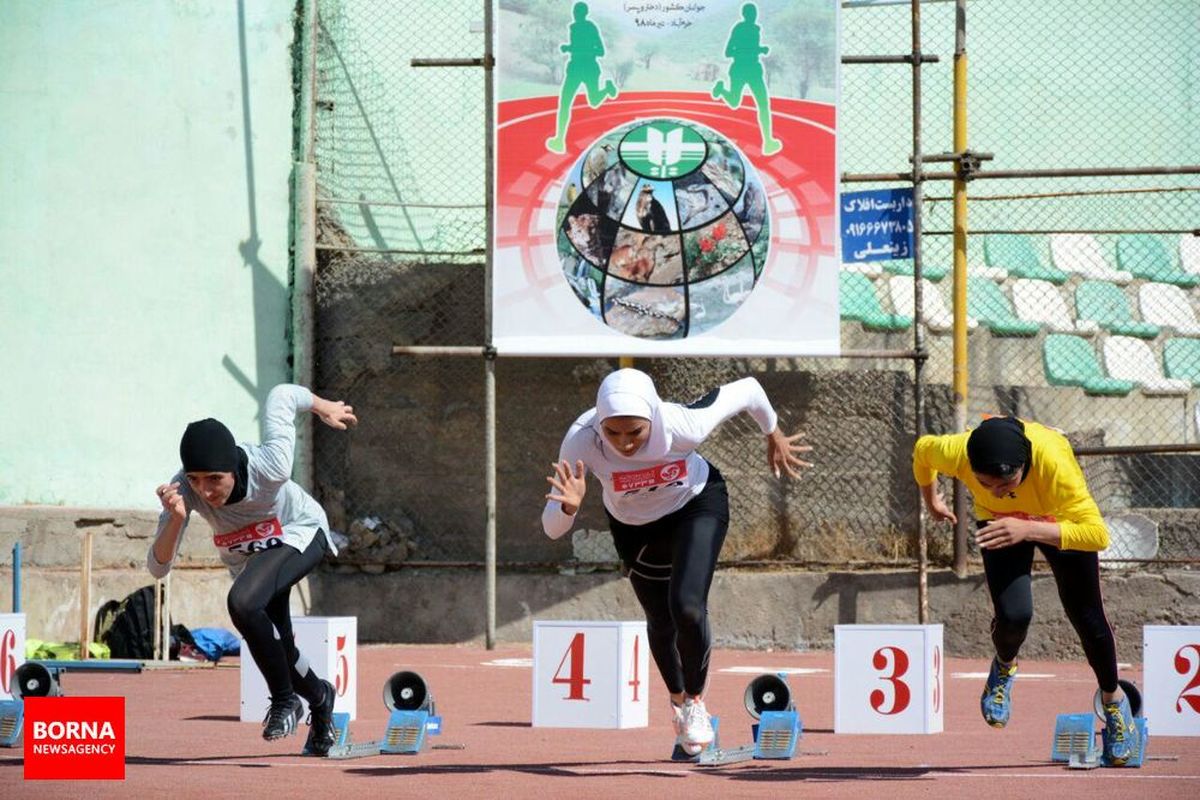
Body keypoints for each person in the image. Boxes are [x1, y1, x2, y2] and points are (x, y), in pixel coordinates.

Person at [542, 369, 811, 755]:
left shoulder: (685, 424)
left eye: (635, 432)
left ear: (653, 416)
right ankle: (678, 701)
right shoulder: (581, 443)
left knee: (685, 605)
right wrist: (568, 507)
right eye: (613, 433)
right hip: (634, 527)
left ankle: (696, 702)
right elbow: (552, 528)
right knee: (661, 620)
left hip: (695, 504)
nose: (625, 444)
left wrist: (773, 432)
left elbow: (749, 390)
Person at [913, 415, 1140, 765]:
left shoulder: (1054, 463)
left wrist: (1030, 528)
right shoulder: (958, 453)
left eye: (1006, 484)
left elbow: (1098, 535)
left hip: (1057, 521)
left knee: (1087, 618)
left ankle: (1113, 703)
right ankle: (1004, 667)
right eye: (986, 484)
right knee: (1014, 616)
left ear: (1024, 466)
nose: (998, 491)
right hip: (1001, 526)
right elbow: (922, 451)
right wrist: (931, 500)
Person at [147, 384, 357, 756]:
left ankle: (284, 701)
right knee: (279, 648)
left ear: (233, 466)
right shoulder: (183, 490)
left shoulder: (270, 464)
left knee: (242, 603)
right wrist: (177, 520)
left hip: (301, 533)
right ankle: (321, 699)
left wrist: (324, 408)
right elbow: (158, 567)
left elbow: (282, 395)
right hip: (252, 561)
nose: (206, 490)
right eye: (196, 479)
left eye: (215, 479)